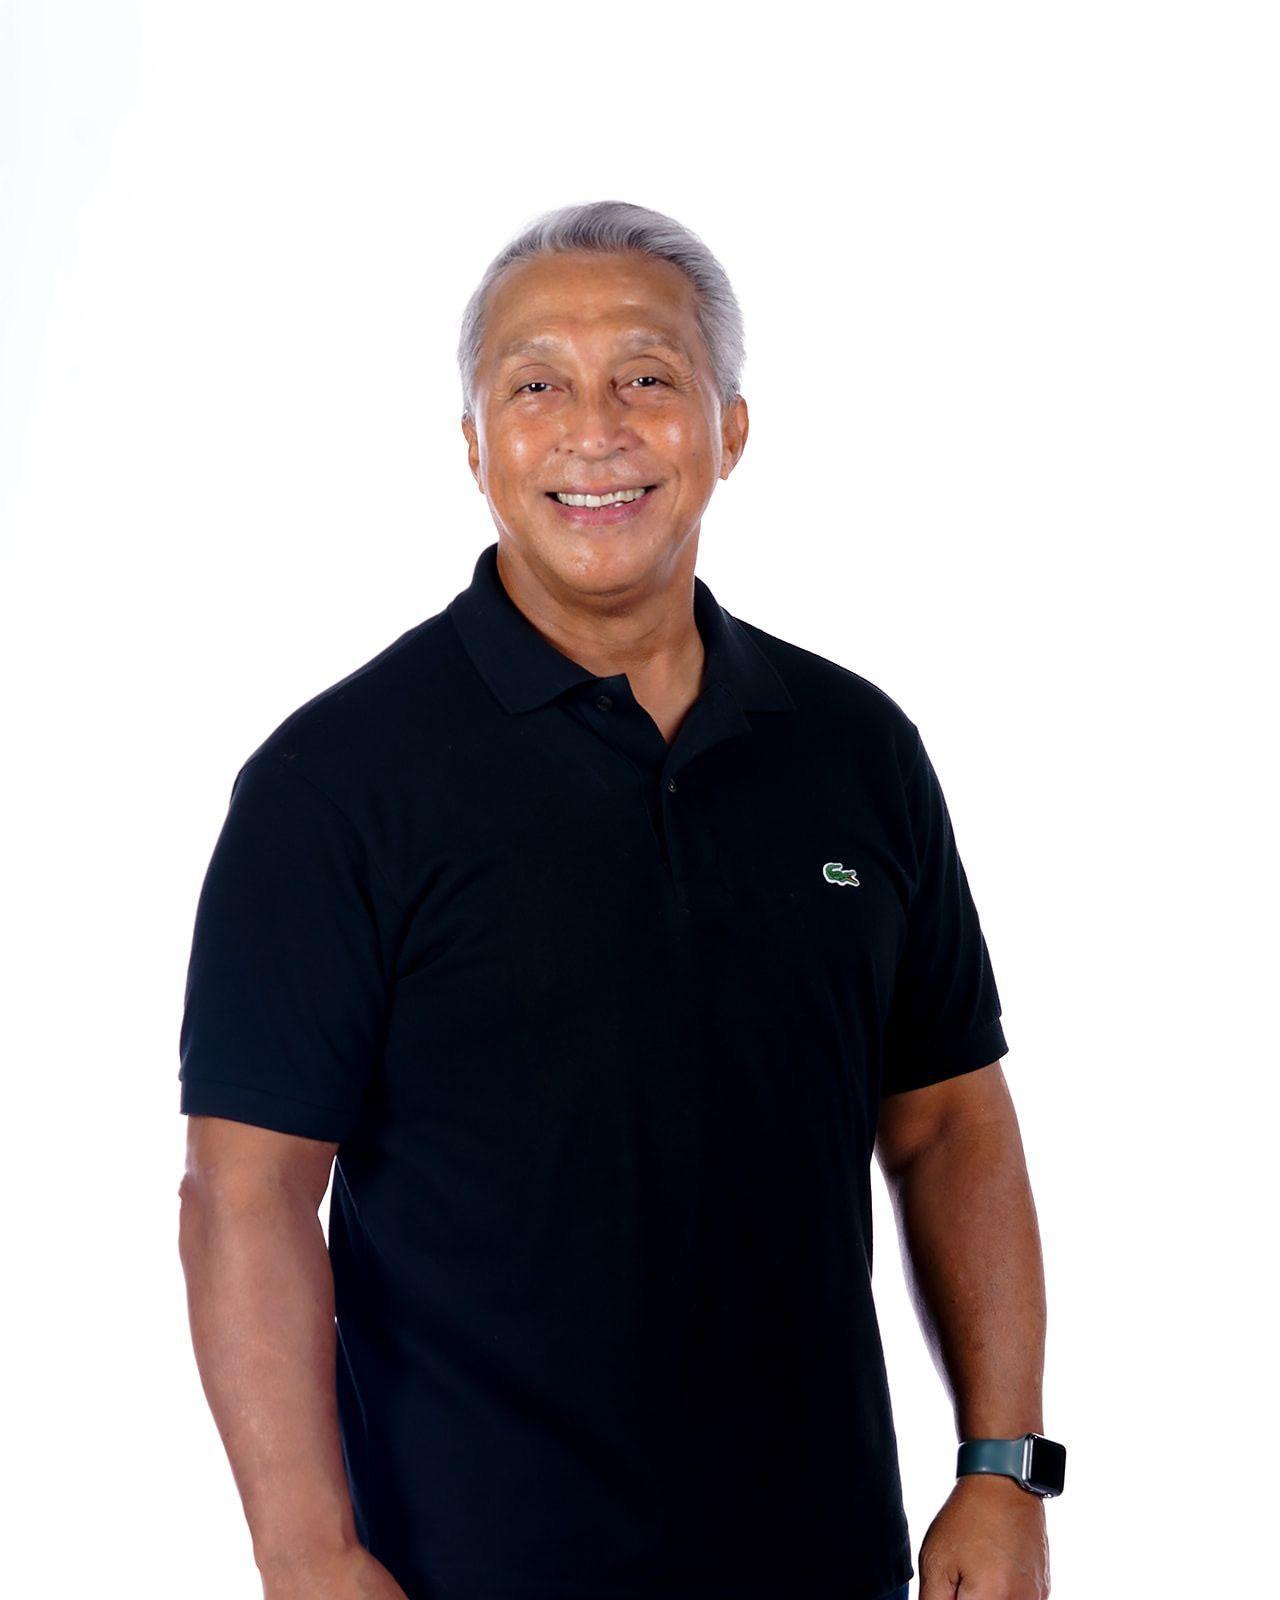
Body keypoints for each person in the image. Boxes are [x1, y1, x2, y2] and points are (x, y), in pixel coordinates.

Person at [177, 200, 1060, 1600]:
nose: (594, 431)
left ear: (730, 429)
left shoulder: (855, 750)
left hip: (825, 1561)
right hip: (467, 1569)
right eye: (536, 386)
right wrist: (308, 1555)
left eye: (646, 376)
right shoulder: (335, 783)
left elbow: (951, 1120)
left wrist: (1001, 1469)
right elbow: (248, 1193)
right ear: (475, 443)